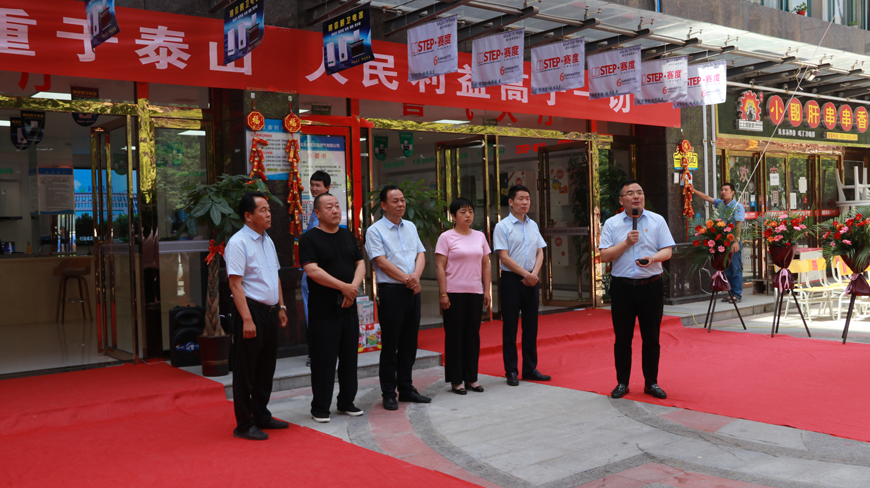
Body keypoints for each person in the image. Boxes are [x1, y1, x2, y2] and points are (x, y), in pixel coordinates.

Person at [599, 180, 675, 400]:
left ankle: (651, 382)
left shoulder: (657, 220)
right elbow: (604, 256)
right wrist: (626, 243)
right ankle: (622, 382)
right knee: (622, 338)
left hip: (650, 286)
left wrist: (653, 258)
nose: (636, 196)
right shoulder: (612, 223)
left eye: (640, 192)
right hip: (622, 288)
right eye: (630, 193)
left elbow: (668, 250)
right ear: (621, 200)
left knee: (651, 337)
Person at [225, 191, 289, 441]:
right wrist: (247, 320)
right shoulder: (238, 243)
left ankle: (261, 414)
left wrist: (281, 306)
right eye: (263, 210)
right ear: (248, 216)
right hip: (250, 312)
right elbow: (235, 285)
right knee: (246, 370)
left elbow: (275, 275)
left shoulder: (267, 240)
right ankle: (244, 424)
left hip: (270, 312)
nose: (269, 214)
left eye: (269, 209)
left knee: (265, 368)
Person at [299, 193, 366, 423]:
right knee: (323, 361)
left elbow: (360, 263)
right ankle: (320, 408)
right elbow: (312, 270)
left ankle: (346, 402)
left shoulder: (347, 235)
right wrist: (343, 288)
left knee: (349, 358)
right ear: (317, 213)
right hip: (323, 311)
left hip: (349, 307)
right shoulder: (309, 239)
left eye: (337, 206)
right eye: (329, 207)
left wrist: (352, 288)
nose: (335, 210)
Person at [365, 185, 431, 410]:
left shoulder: (410, 226)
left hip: (412, 289)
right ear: (383, 205)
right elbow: (381, 262)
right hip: (391, 291)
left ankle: (406, 388)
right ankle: (388, 393)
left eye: (402, 200)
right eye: (395, 201)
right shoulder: (375, 230)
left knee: (409, 342)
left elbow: (421, 253)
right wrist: (408, 280)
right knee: (391, 344)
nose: (401, 204)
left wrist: (416, 277)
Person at [493, 184, 551, 386]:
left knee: (531, 326)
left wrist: (534, 274)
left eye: (527, 198)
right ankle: (511, 370)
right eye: (521, 198)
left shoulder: (533, 225)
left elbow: (540, 251)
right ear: (511, 202)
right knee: (510, 327)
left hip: (532, 280)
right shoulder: (502, 226)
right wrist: (526, 274)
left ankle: (530, 368)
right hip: (511, 280)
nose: (525, 202)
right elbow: (504, 257)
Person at [435, 198, 492, 394]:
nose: (468, 215)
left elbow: (486, 264)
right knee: (455, 336)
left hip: (475, 291)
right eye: (462, 212)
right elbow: (440, 267)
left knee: (472, 336)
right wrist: (443, 293)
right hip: (453, 292)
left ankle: (471, 378)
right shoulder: (446, 237)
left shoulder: (480, 236)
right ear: (453, 216)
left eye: (470, 211)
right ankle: (456, 380)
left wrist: (487, 290)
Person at [692, 183, 746, 303]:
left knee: (735, 268)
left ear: (732, 192)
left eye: (726, 190)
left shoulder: (737, 207)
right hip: (722, 242)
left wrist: (736, 241)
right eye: (722, 190)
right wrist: (693, 190)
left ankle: (737, 294)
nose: (723, 192)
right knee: (726, 268)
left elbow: (738, 225)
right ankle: (730, 293)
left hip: (732, 241)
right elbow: (707, 198)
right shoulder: (721, 204)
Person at [301, 170, 331, 367]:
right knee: (310, 310)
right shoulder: (313, 209)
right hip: (310, 268)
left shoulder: (327, 210)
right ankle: (316, 351)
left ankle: (320, 352)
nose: (313, 188)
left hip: (321, 268)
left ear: (327, 187)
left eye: (317, 185)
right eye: (312, 184)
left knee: (319, 311)